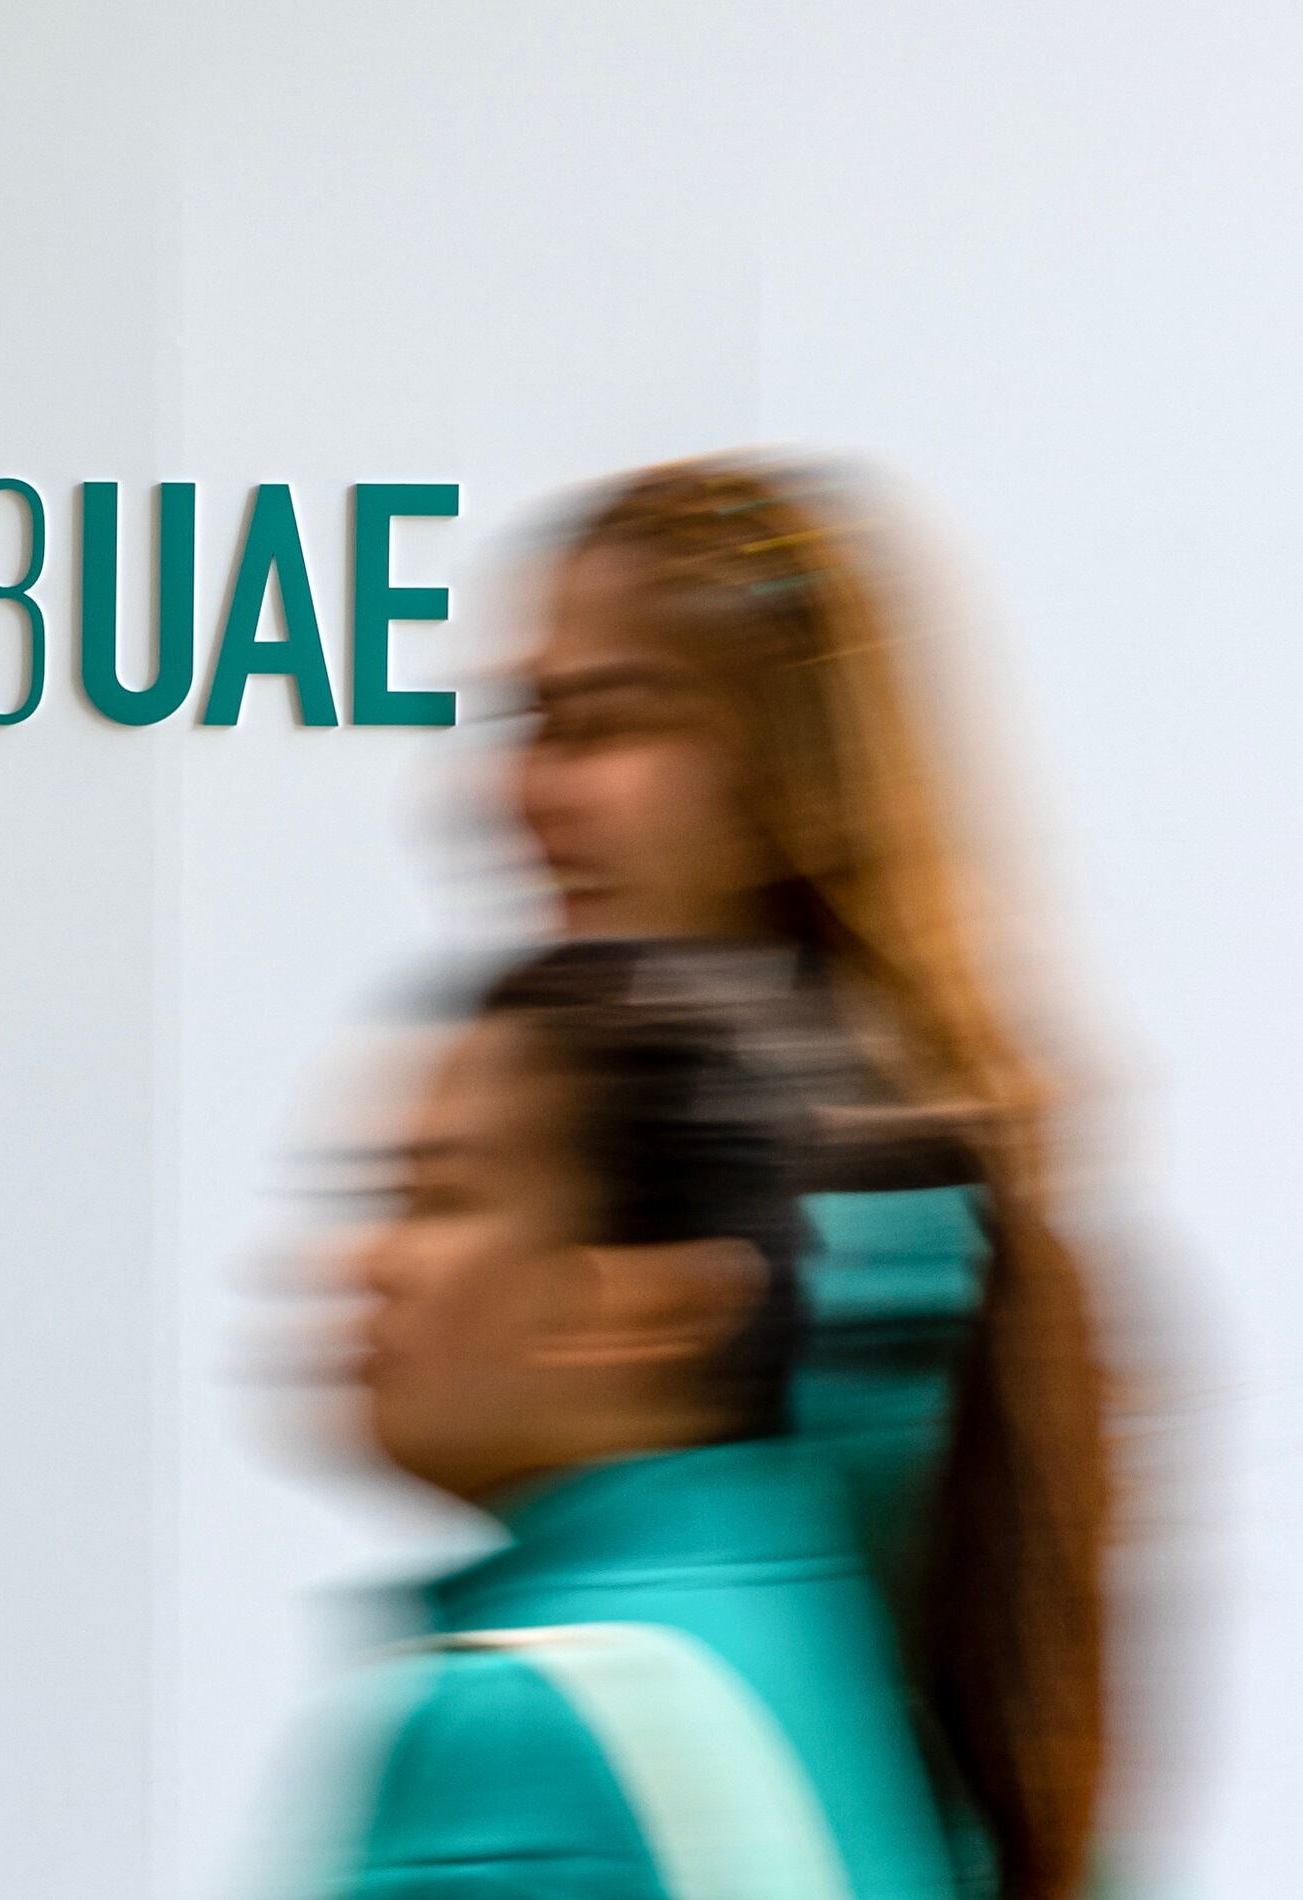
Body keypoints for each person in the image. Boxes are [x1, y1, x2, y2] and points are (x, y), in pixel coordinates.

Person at [507, 457, 1111, 1900]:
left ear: (785, 762)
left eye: (611, 722)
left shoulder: (868, 1201)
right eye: (531, 721)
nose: (532, 793)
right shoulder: (897, 1141)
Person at [325, 948, 958, 1897]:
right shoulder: (836, 1626)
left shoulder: (519, 1714)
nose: (369, 1264)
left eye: (442, 1199)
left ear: (661, 1305)